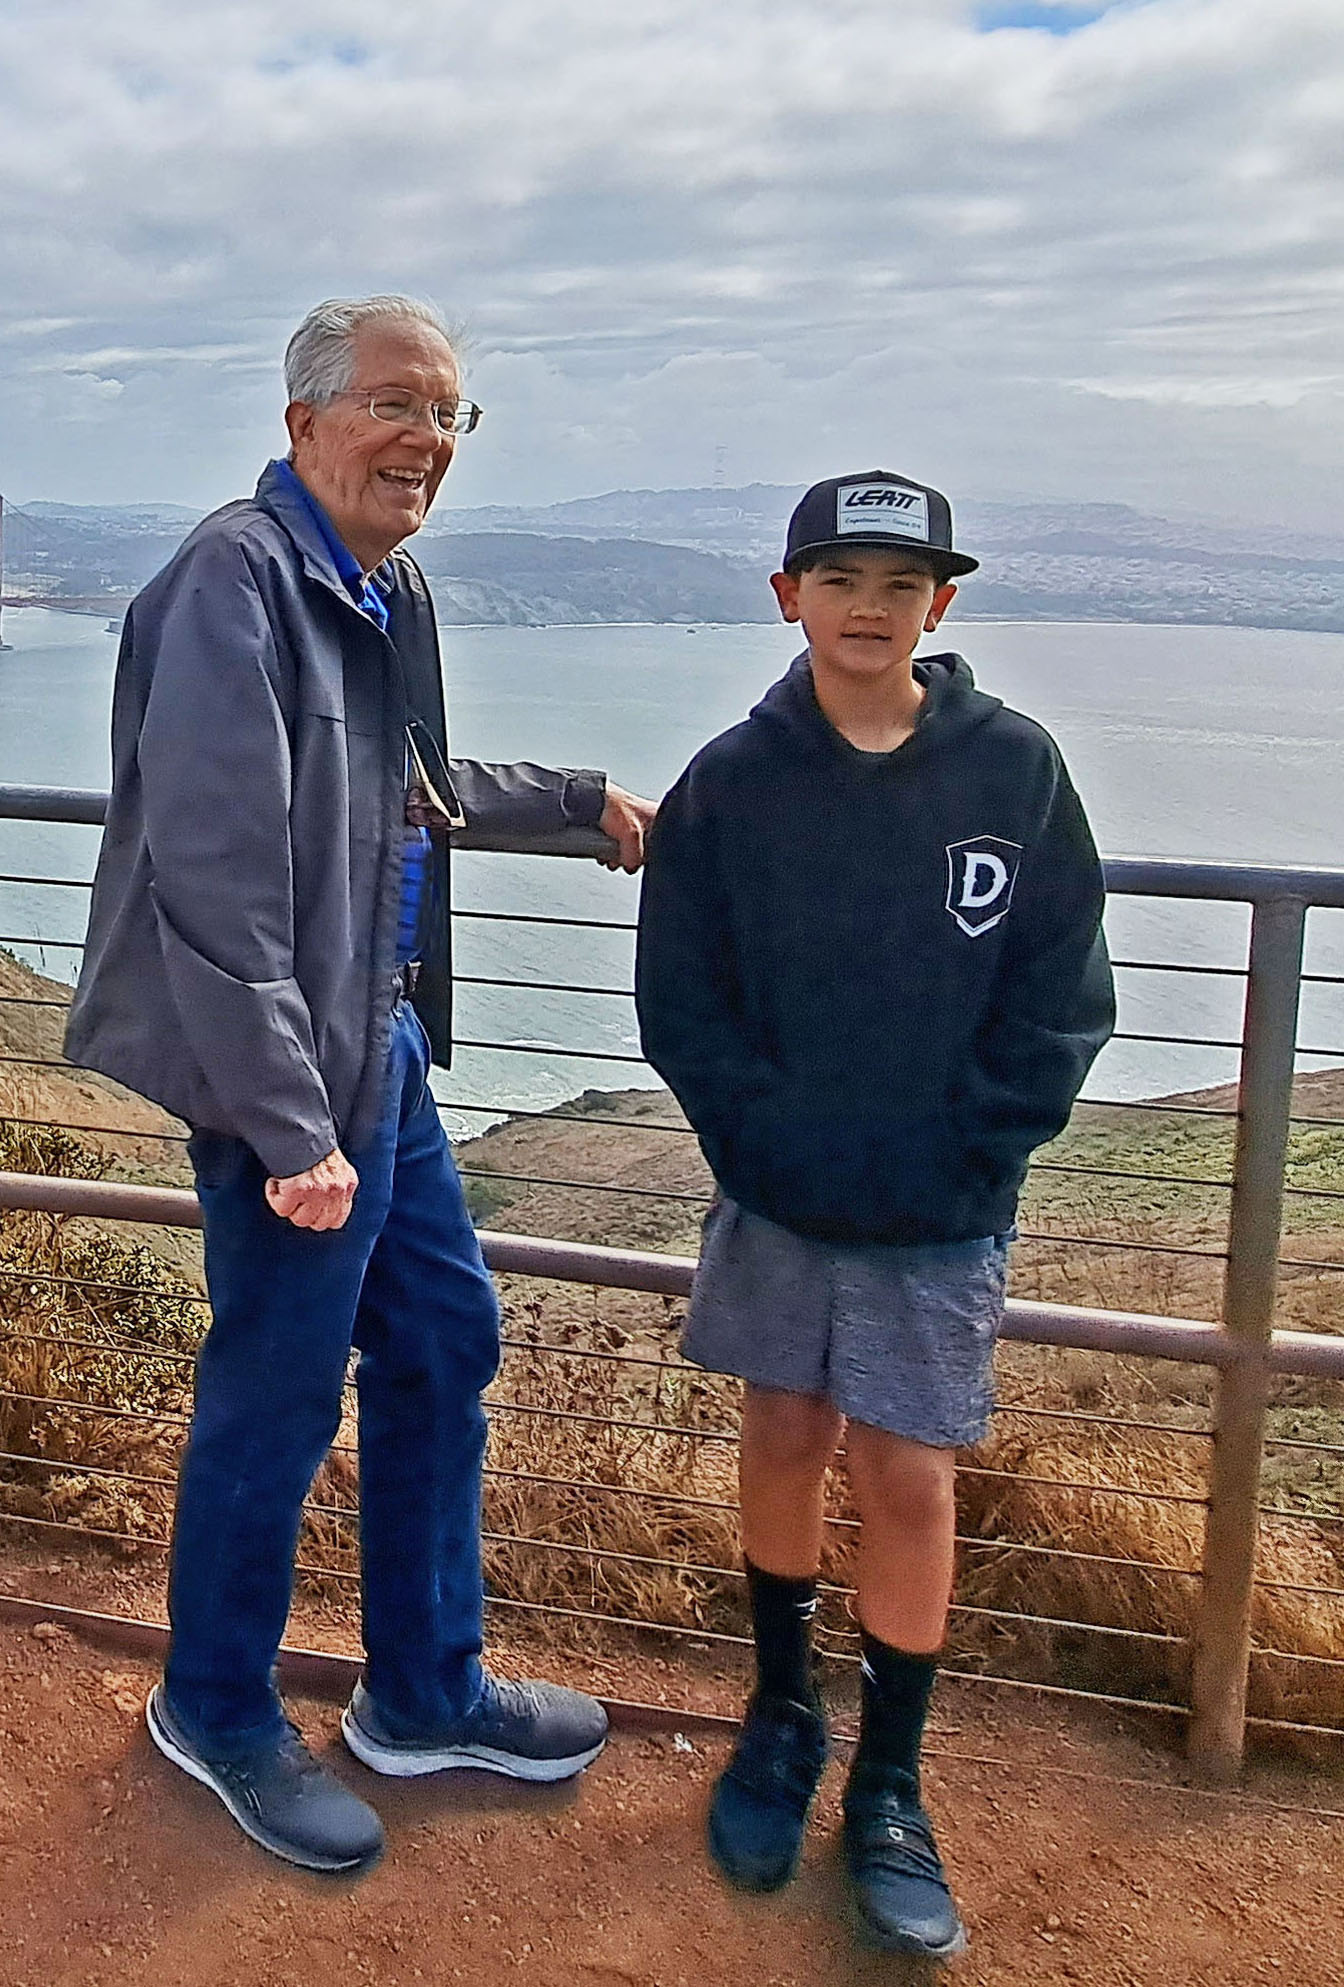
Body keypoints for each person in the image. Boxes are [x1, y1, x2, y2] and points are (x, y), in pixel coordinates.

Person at [65, 293, 658, 1874]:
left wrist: (580, 800)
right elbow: (212, 874)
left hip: (375, 1045)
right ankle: (214, 1706)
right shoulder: (233, 583)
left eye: (449, 414)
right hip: (296, 1075)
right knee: (276, 1385)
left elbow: (416, 792)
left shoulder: (386, 588)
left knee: (446, 1340)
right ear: (305, 422)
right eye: (397, 404)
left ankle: (423, 1690)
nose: (426, 439)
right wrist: (286, 1122)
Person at [633, 471, 1115, 1960]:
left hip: (939, 1211)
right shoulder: (732, 780)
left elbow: (1062, 993)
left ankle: (891, 1784)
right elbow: (682, 1000)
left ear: (940, 604)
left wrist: (977, 1151)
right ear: (789, 596)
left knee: (908, 1475)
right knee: (781, 1437)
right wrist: (762, 1144)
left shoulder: (1016, 770)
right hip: (779, 1198)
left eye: (900, 582)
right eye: (839, 577)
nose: (868, 605)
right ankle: (782, 1717)